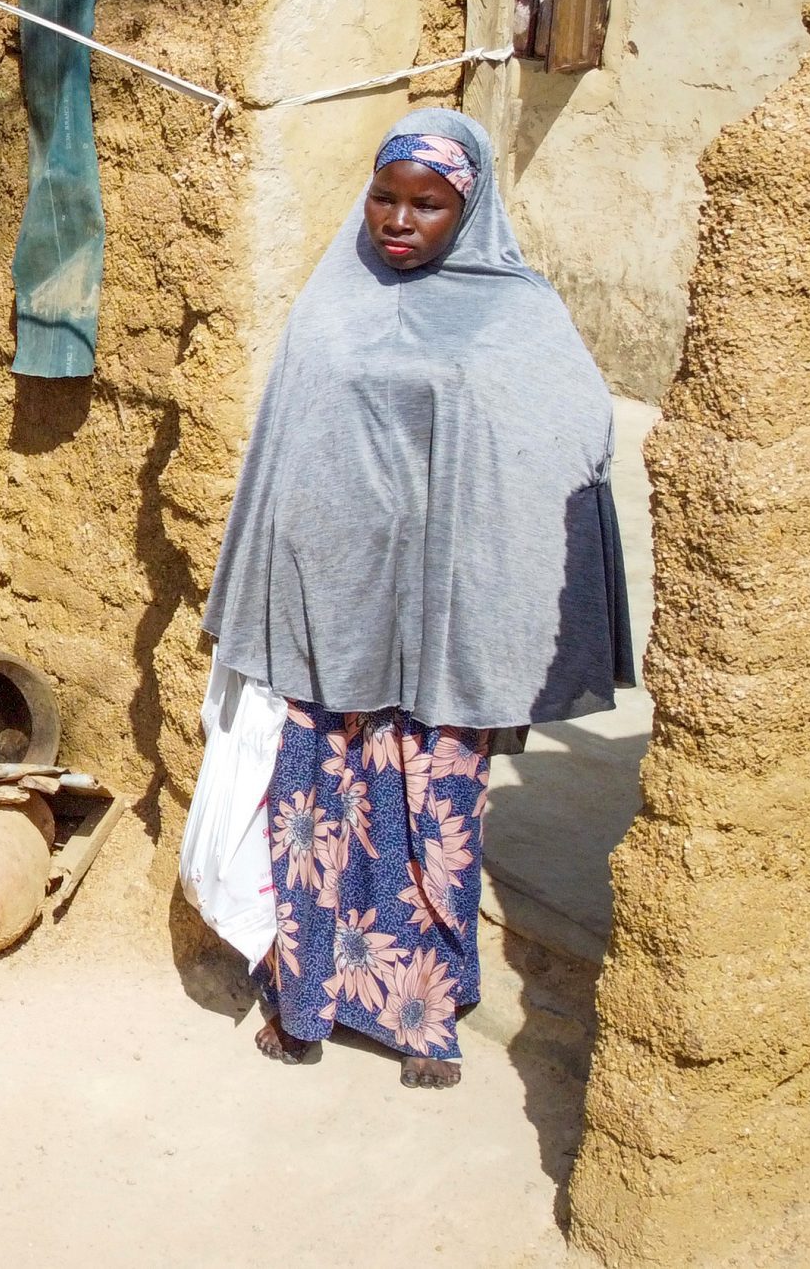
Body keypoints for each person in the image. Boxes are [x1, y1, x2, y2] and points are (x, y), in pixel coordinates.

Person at [201, 108, 634, 1089]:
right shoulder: (331, 301)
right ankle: (303, 1003)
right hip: (333, 611)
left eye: (427, 205)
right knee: (314, 808)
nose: (399, 221)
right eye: (386, 198)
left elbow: (570, 430)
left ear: (466, 210)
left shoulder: (512, 309)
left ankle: (420, 1020)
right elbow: (287, 453)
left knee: (430, 813)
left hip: (446, 620)